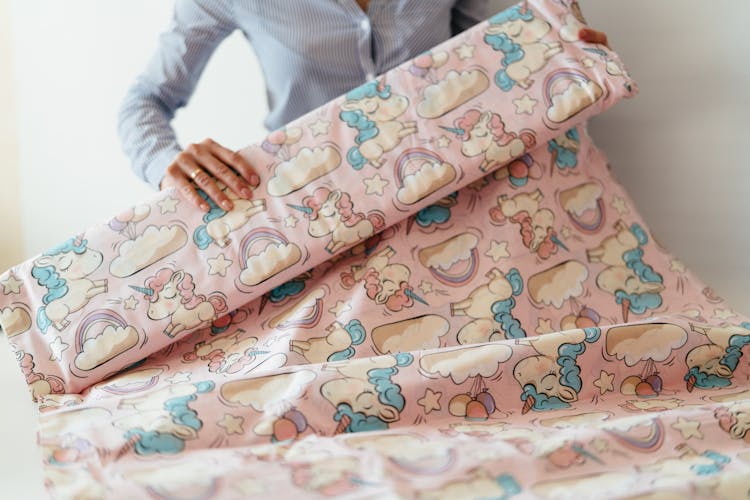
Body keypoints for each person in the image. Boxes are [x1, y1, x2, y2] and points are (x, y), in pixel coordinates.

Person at [118, 0, 609, 212]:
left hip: (454, 191)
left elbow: (497, 55)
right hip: (314, 210)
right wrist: (168, 165)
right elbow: (144, 101)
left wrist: (559, 54)